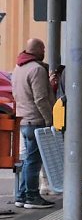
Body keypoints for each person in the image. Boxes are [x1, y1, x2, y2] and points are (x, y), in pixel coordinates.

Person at [12, 38, 56, 209]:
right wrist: (49, 119)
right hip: (36, 120)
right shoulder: (36, 69)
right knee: (34, 161)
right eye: (43, 48)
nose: (45, 50)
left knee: (29, 159)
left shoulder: (18, 68)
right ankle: (31, 196)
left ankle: (21, 196)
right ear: (37, 50)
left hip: (23, 119)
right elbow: (40, 98)